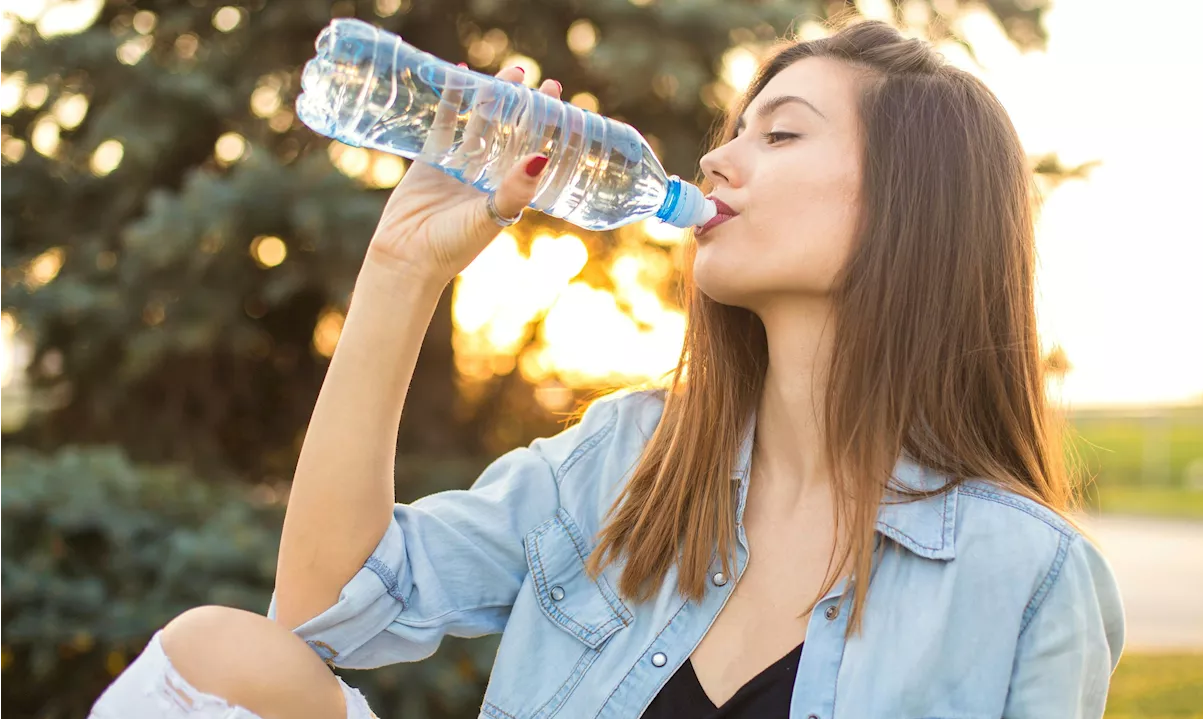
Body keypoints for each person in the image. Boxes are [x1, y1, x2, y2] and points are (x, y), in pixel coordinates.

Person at [90, 12, 1125, 719]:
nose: (719, 159)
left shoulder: (1026, 580)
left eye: (781, 133)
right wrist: (401, 270)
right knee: (215, 651)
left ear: (909, 205)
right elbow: (326, 608)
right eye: (732, 132)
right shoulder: (629, 459)